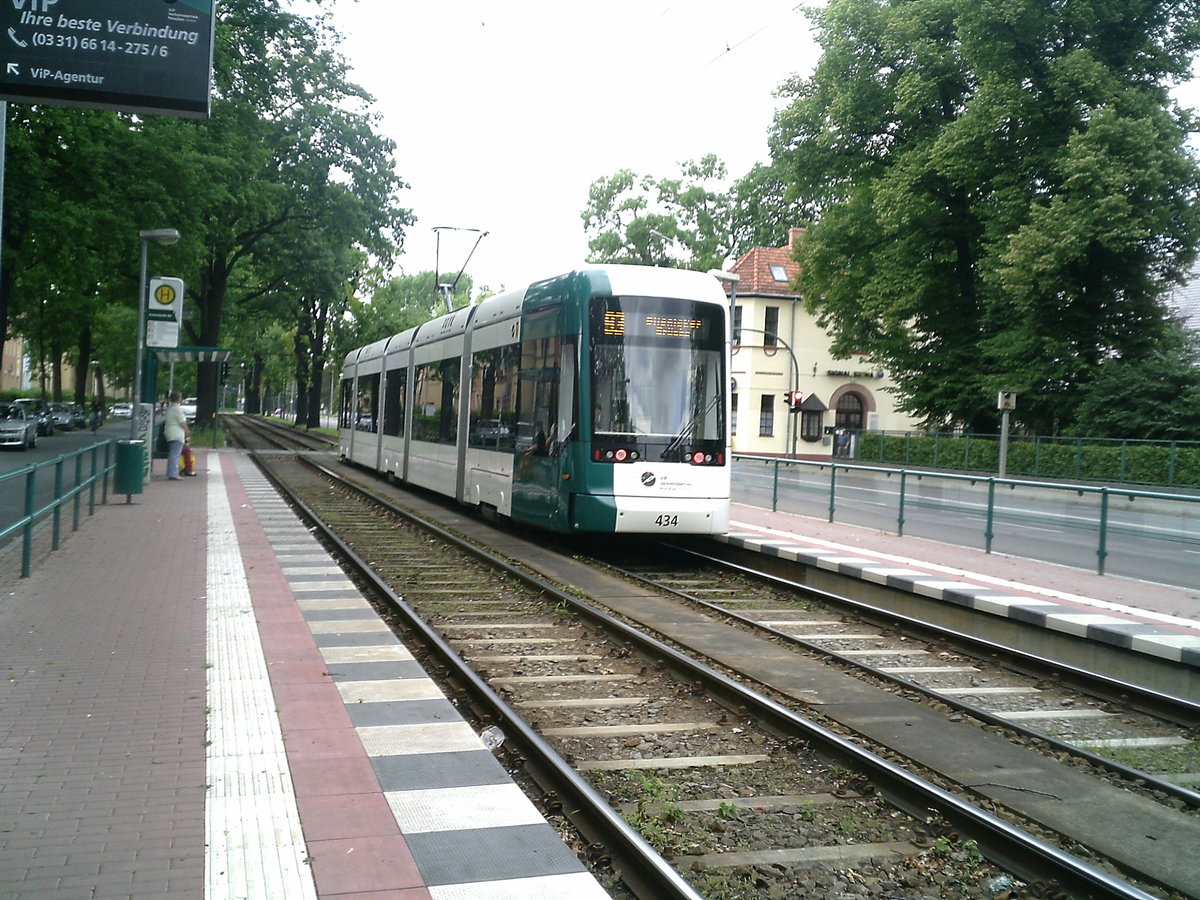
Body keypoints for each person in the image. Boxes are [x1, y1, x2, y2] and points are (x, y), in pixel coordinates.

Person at [162, 391, 192, 480]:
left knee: (174, 454)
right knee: (175, 455)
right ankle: (173, 474)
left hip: (170, 433)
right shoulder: (177, 409)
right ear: (179, 399)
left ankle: (172, 473)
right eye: (180, 397)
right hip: (176, 434)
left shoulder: (170, 408)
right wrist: (187, 432)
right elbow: (182, 422)